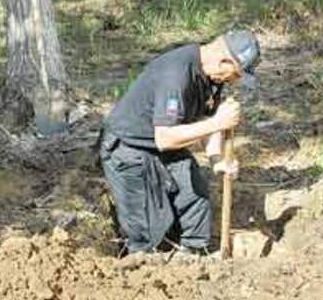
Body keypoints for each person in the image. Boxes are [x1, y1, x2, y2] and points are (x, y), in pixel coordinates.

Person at [98, 28, 261, 256]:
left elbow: (207, 118)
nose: (236, 81)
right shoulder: (176, 74)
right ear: (225, 61)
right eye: (237, 74)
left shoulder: (213, 76)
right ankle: (144, 263)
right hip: (129, 150)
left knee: (196, 198)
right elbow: (165, 138)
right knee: (149, 234)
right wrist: (219, 123)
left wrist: (217, 160)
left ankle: (193, 255)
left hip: (164, 145)